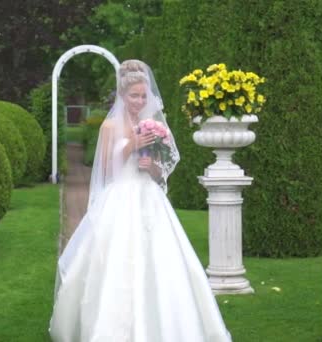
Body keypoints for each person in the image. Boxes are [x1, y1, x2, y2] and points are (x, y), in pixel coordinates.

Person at [49, 60, 232, 342]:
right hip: (120, 196)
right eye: (134, 95)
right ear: (123, 96)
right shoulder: (109, 126)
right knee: (115, 263)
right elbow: (106, 171)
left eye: (144, 96)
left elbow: (162, 171)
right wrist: (131, 146)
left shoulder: (155, 125)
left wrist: (151, 166)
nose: (139, 101)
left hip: (149, 195)